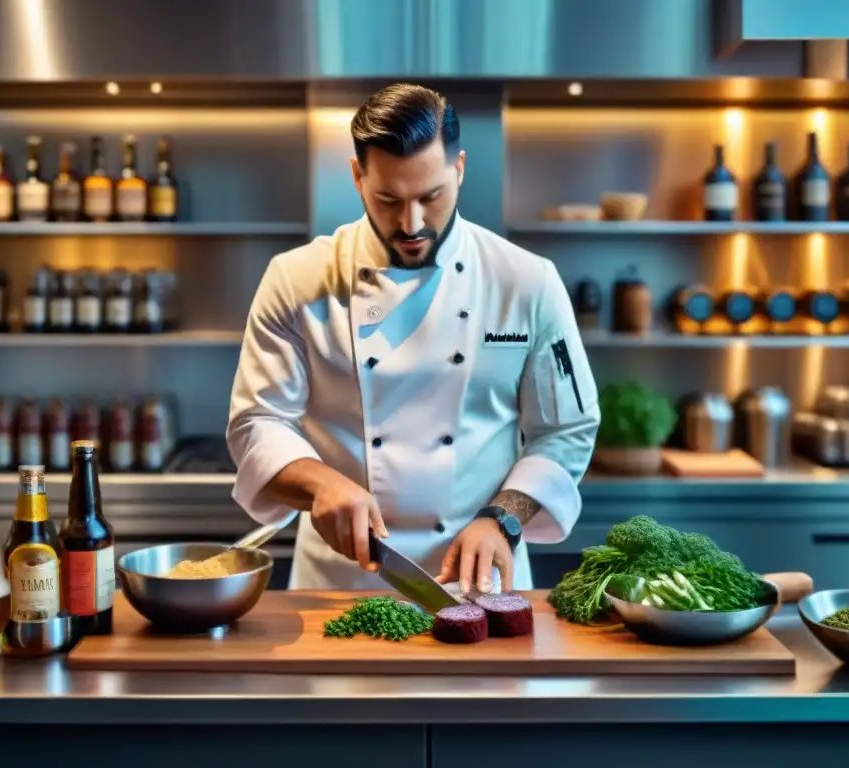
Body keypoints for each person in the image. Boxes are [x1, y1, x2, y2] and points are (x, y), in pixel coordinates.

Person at [227, 83, 599, 593]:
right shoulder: (296, 278)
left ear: (460, 168)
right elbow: (257, 421)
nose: (412, 223)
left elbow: (566, 431)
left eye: (431, 196)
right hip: (337, 588)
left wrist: (504, 519)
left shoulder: (527, 281)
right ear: (357, 177)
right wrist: (319, 482)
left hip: (479, 582)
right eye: (388, 199)